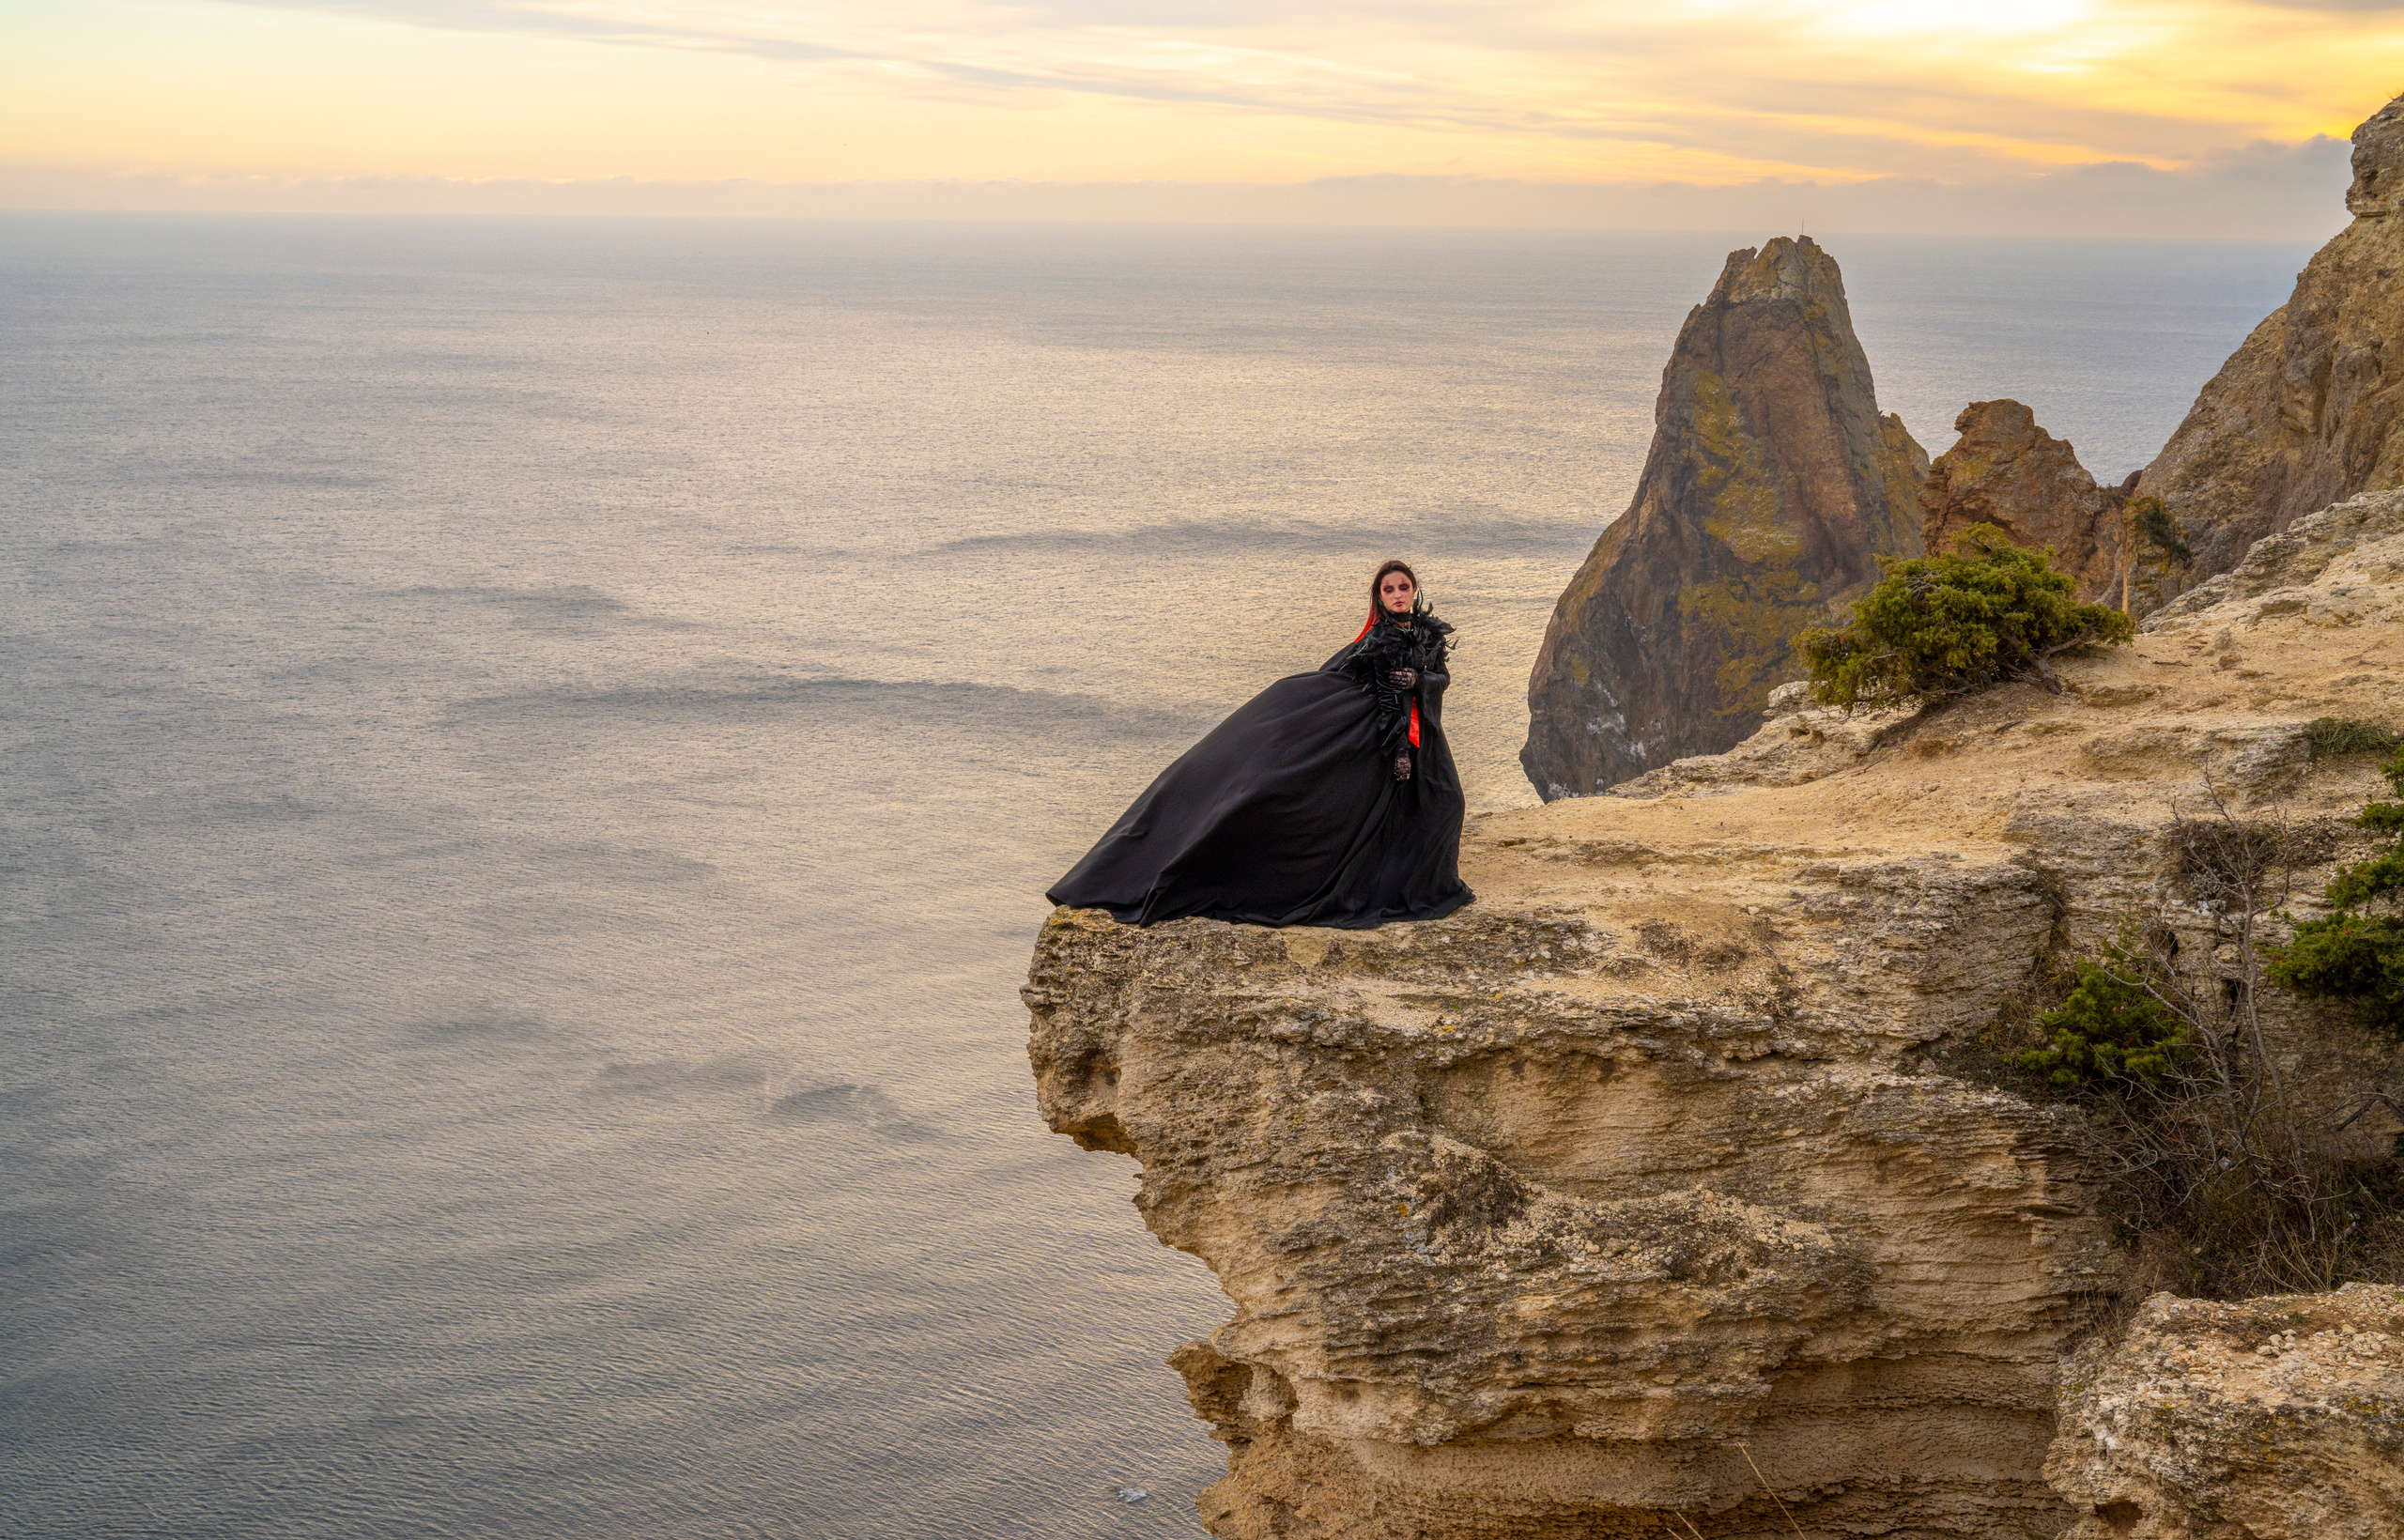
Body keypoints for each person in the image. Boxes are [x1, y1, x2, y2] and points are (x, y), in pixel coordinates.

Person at [1046, 560, 1473, 928]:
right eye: (1388, 589)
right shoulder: (1376, 639)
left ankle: (1417, 881)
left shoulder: (1427, 632)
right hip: (1381, 734)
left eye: (1403, 587)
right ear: (1378, 597)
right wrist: (1398, 750)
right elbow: (1379, 695)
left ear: (1414, 590)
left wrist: (1421, 681)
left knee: (1446, 802)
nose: (1398, 594)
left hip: (1421, 733)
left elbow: (1440, 677)